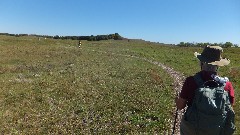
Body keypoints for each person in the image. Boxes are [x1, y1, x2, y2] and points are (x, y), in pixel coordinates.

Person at [175, 45, 235, 135]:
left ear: (201, 62)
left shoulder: (191, 81)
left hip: (192, 129)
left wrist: (177, 100)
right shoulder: (227, 85)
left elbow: (180, 106)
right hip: (217, 130)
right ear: (218, 65)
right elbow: (229, 108)